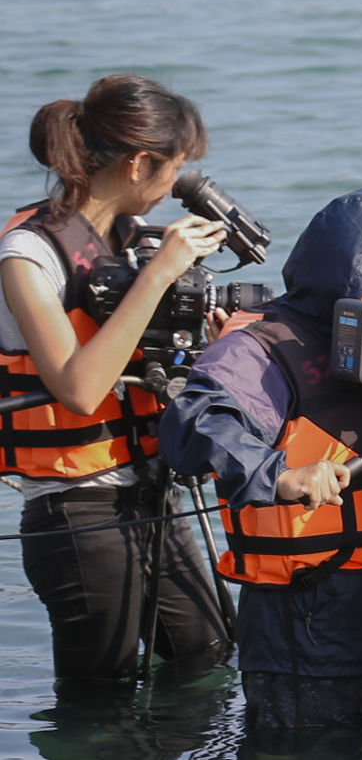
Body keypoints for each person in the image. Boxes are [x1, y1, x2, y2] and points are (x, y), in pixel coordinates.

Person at [157, 189, 362, 735]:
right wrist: (278, 476)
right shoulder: (258, 348)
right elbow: (193, 423)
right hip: (305, 620)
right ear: (352, 282)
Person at [2, 77, 231, 683]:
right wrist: (160, 274)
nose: (173, 189)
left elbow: (139, 359)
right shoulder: (29, 255)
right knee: (98, 705)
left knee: (205, 663)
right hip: (77, 512)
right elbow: (77, 387)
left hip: (149, 492)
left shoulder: (128, 244)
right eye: (174, 170)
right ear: (137, 163)